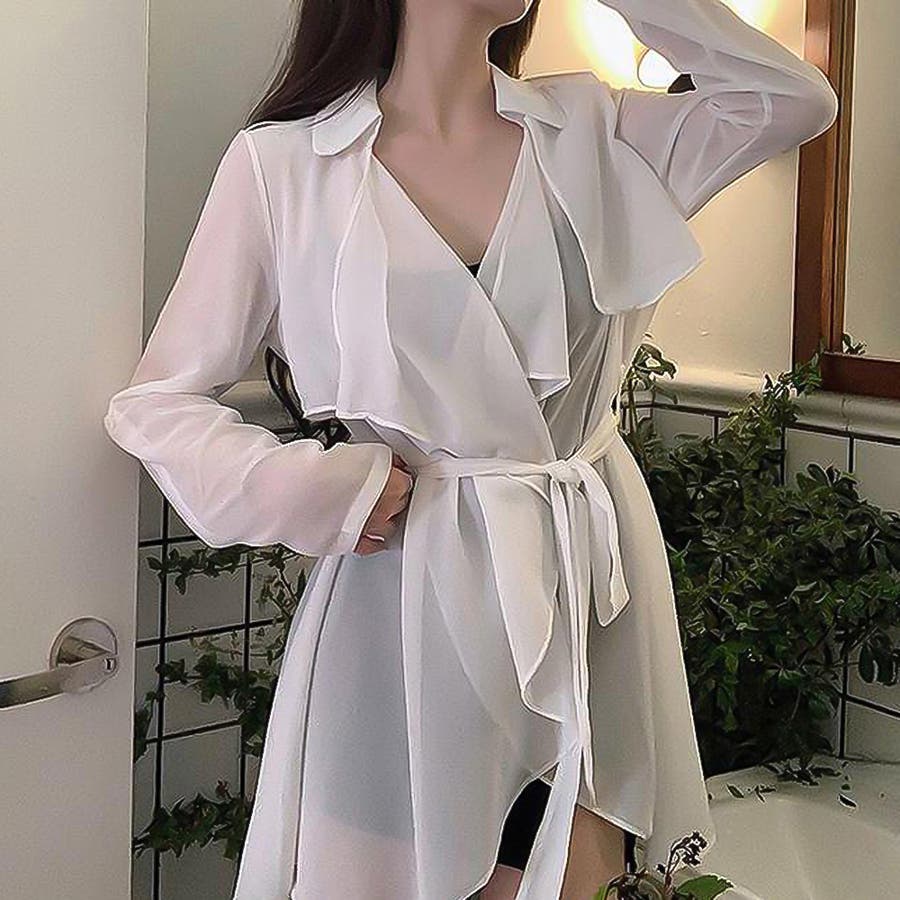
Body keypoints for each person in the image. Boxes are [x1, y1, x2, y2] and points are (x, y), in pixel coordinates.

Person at [103, 1, 839, 897]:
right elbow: (156, 404)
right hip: (403, 614)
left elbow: (790, 99)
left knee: (580, 872)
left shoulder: (598, 134)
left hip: (581, 611)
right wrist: (310, 489)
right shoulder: (286, 166)